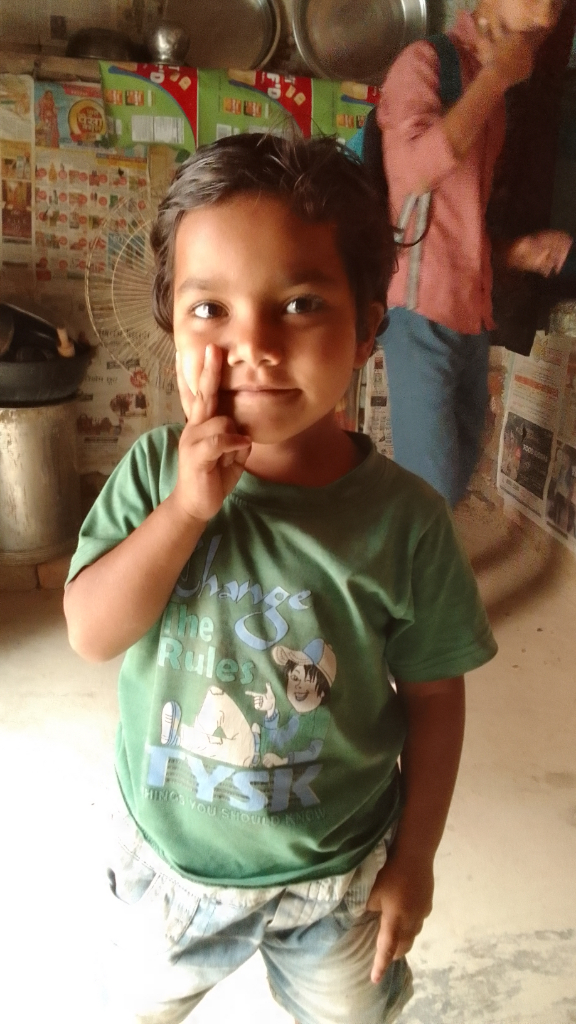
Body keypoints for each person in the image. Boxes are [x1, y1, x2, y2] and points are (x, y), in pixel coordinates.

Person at [63, 133, 498, 1024]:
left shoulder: (404, 520)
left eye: (299, 303)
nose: (253, 343)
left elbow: (435, 698)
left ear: (370, 325)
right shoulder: (152, 475)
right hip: (170, 871)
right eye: (209, 309)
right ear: (170, 324)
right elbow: (91, 632)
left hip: (335, 877)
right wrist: (186, 511)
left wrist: (415, 859)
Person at [377, 0, 572, 507]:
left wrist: (515, 254)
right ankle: (412, 584)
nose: (549, 11)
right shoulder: (424, 64)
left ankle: (417, 574)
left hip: (471, 312)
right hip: (420, 310)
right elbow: (415, 174)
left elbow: (462, 218)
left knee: (457, 474)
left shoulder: (495, 89)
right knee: (432, 491)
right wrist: (495, 81)